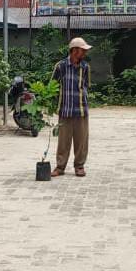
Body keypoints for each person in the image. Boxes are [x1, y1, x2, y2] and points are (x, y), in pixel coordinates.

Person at [51, 37, 92, 178]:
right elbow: (52, 85)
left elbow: (86, 86)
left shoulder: (85, 67)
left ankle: (79, 166)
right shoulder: (60, 66)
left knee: (81, 141)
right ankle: (60, 167)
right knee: (63, 141)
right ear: (74, 51)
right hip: (65, 110)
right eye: (83, 50)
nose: (85, 52)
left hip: (81, 110)